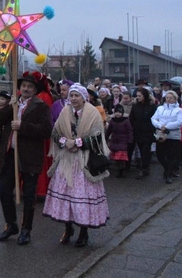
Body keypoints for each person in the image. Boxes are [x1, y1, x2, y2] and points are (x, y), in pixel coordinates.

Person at [43, 83, 109, 247]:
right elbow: (55, 132)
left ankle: (83, 232)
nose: (73, 99)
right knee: (66, 197)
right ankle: (68, 228)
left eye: (76, 96)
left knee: (81, 198)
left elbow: (97, 137)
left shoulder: (92, 113)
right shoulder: (65, 112)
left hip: (83, 162)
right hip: (66, 160)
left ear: (84, 97)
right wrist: (65, 142)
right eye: (71, 96)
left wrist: (78, 143)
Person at [0, 72, 52, 245]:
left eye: (30, 87)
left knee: (28, 194)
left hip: (29, 156)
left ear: (35, 90)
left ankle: (26, 229)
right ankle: (11, 224)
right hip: (10, 155)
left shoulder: (41, 106)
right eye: (23, 86)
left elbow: (46, 130)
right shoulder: (13, 104)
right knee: (3, 189)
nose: (25, 89)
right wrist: (8, 108)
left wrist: (23, 126)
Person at [151, 90, 182, 184]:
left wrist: (166, 126)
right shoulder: (160, 108)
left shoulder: (179, 110)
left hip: (173, 135)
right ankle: (167, 169)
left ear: (175, 99)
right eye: (167, 97)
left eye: (171, 98)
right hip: (161, 135)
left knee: (172, 156)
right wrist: (159, 125)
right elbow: (153, 118)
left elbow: (180, 122)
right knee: (160, 154)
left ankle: (168, 174)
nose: (168, 99)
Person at [129, 87, 157, 178]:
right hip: (138, 131)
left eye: (139, 96)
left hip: (148, 131)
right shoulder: (135, 106)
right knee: (141, 150)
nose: (137, 97)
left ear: (145, 96)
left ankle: (144, 168)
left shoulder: (152, 106)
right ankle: (144, 166)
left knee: (146, 150)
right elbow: (131, 119)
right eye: (137, 96)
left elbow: (155, 118)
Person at [106, 104, 133, 178]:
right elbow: (109, 131)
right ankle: (119, 170)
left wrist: (130, 140)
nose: (117, 114)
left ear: (122, 113)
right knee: (116, 158)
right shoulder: (112, 121)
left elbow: (129, 131)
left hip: (123, 141)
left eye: (119, 112)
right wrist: (105, 138)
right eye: (116, 112)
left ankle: (123, 170)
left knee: (121, 158)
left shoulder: (126, 121)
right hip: (114, 141)